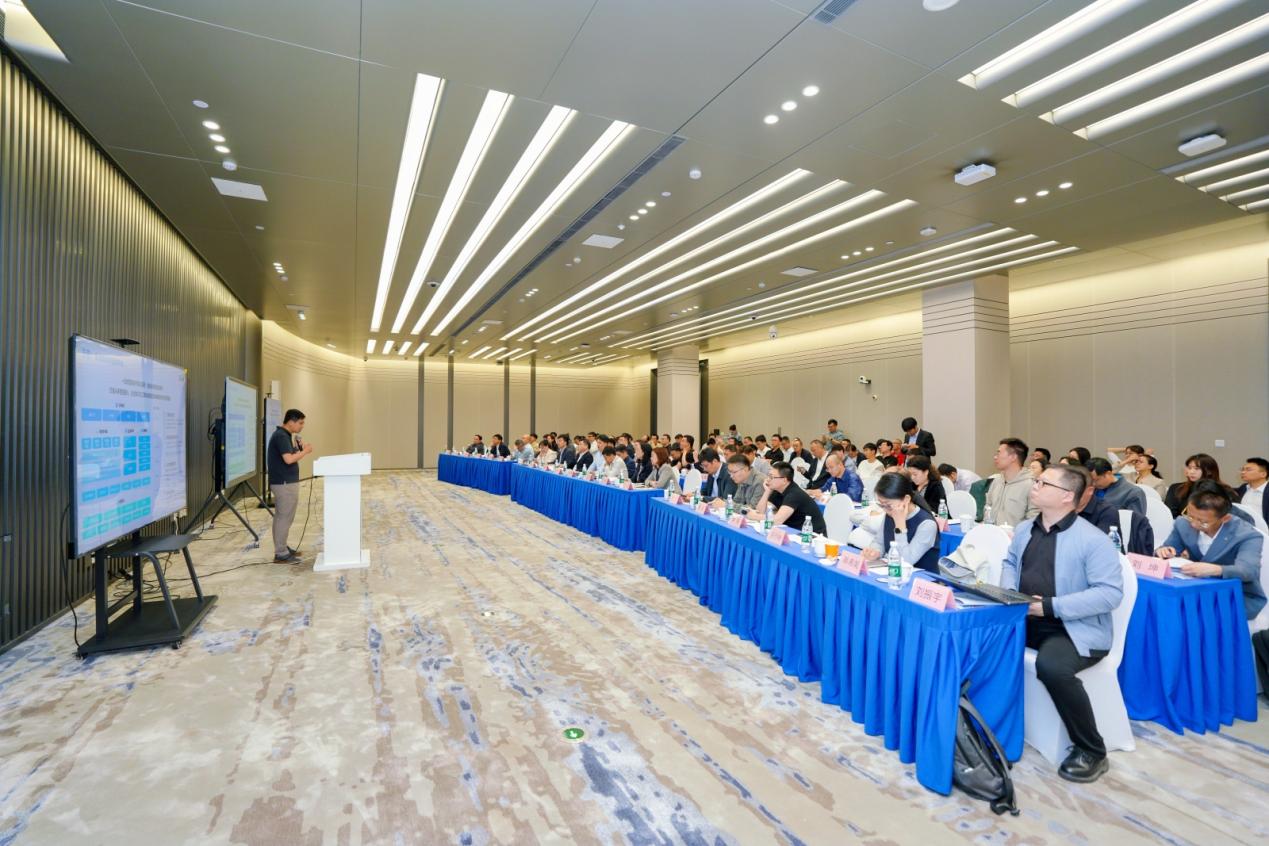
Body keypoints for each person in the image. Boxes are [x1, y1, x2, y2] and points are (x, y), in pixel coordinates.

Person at [1001, 463, 1123, 783]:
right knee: (977, 641)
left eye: (1044, 483)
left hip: (1073, 629)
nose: (1035, 486)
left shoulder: (1093, 540)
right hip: (1024, 617)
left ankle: (1091, 750)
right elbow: (1010, 562)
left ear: (1067, 496)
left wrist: (1049, 607)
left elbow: (1109, 594)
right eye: (1037, 481)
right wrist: (1011, 594)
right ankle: (989, 725)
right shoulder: (1026, 529)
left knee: (1053, 667)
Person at [1157, 481, 1266, 620]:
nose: (1194, 524)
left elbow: (1248, 571)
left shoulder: (1246, 535)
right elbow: (1169, 548)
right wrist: (1164, 551)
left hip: (1234, 595)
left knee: (1188, 616)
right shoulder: (1183, 523)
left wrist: (1216, 569)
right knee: (1163, 608)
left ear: (1225, 518)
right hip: (1194, 589)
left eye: (1203, 522)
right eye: (1190, 516)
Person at [860, 473, 941, 572]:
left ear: (906, 499)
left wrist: (900, 525)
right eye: (882, 505)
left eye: (888, 505)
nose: (885, 510)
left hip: (922, 578)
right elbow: (879, 542)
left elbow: (905, 561)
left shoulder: (927, 524)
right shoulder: (890, 512)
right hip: (894, 573)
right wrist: (875, 552)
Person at [267, 409, 313, 563]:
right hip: (284, 483)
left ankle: (282, 547)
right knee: (284, 518)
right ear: (291, 422)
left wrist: (299, 448)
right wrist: (305, 451)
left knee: (283, 517)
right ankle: (281, 553)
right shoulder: (281, 436)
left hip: (284, 482)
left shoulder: (284, 435)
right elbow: (288, 460)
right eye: (300, 423)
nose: (302, 426)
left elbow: (290, 455)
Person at [1076, 469, 1154, 555]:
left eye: (1096, 480)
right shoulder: (1067, 507)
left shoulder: (1107, 509)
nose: (1095, 483)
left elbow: (1099, 548)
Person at [751, 462, 826, 535]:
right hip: (794, 531)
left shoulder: (794, 494)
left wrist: (753, 516)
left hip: (811, 536)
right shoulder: (778, 490)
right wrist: (767, 491)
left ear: (784, 480)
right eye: (768, 476)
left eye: (771, 477)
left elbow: (777, 520)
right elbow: (760, 512)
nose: (768, 479)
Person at [985, 437, 1038, 527]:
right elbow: (988, 506)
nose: (995, 457)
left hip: (1015, 535)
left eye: (999, 453)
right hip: (992, 532)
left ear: (1013, 457)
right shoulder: (997, 480)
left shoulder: (1031, 485)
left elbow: (1033, 518)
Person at [1164, 453, 1239, 517]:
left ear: (1209, 471)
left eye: (1196, 469)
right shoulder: (1176, 488)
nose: (1191, 472)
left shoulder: (1224, 490)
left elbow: (1230, 515)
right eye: (1189, 468)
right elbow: (1169, 514)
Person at [1235, 457, 1268, 527]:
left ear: (1263, 474)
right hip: (1244, 529)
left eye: (1248, 470)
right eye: (1242, 469)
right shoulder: (1243, 488)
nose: (1243, 472)